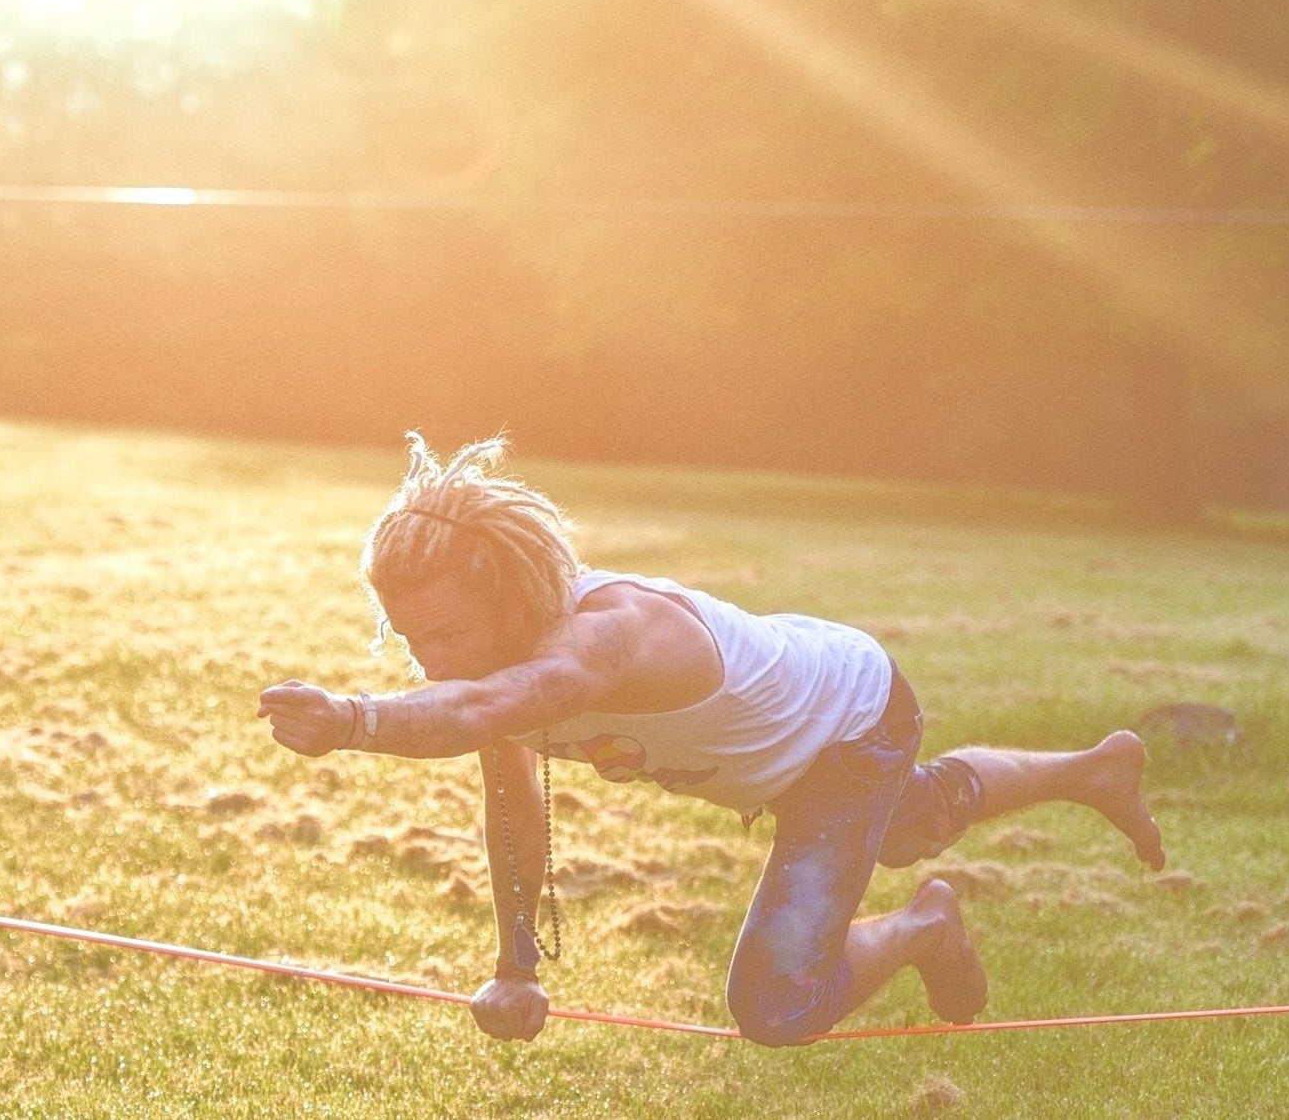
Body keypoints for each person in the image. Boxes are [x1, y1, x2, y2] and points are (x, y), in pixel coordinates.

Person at [257, 435, 1165, 1047]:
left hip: (852, 720)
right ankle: (1093, 769)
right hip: (799, 708)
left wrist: (351, 720)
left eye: (445, 636)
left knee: (778, 1005)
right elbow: (514, 805)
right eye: (411, 642)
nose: (428, 664)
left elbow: (471, 716)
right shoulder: (498, 685)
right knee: (910, 818)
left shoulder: (603, 639)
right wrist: (515, 964)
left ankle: (926, 924)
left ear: (509, 599)